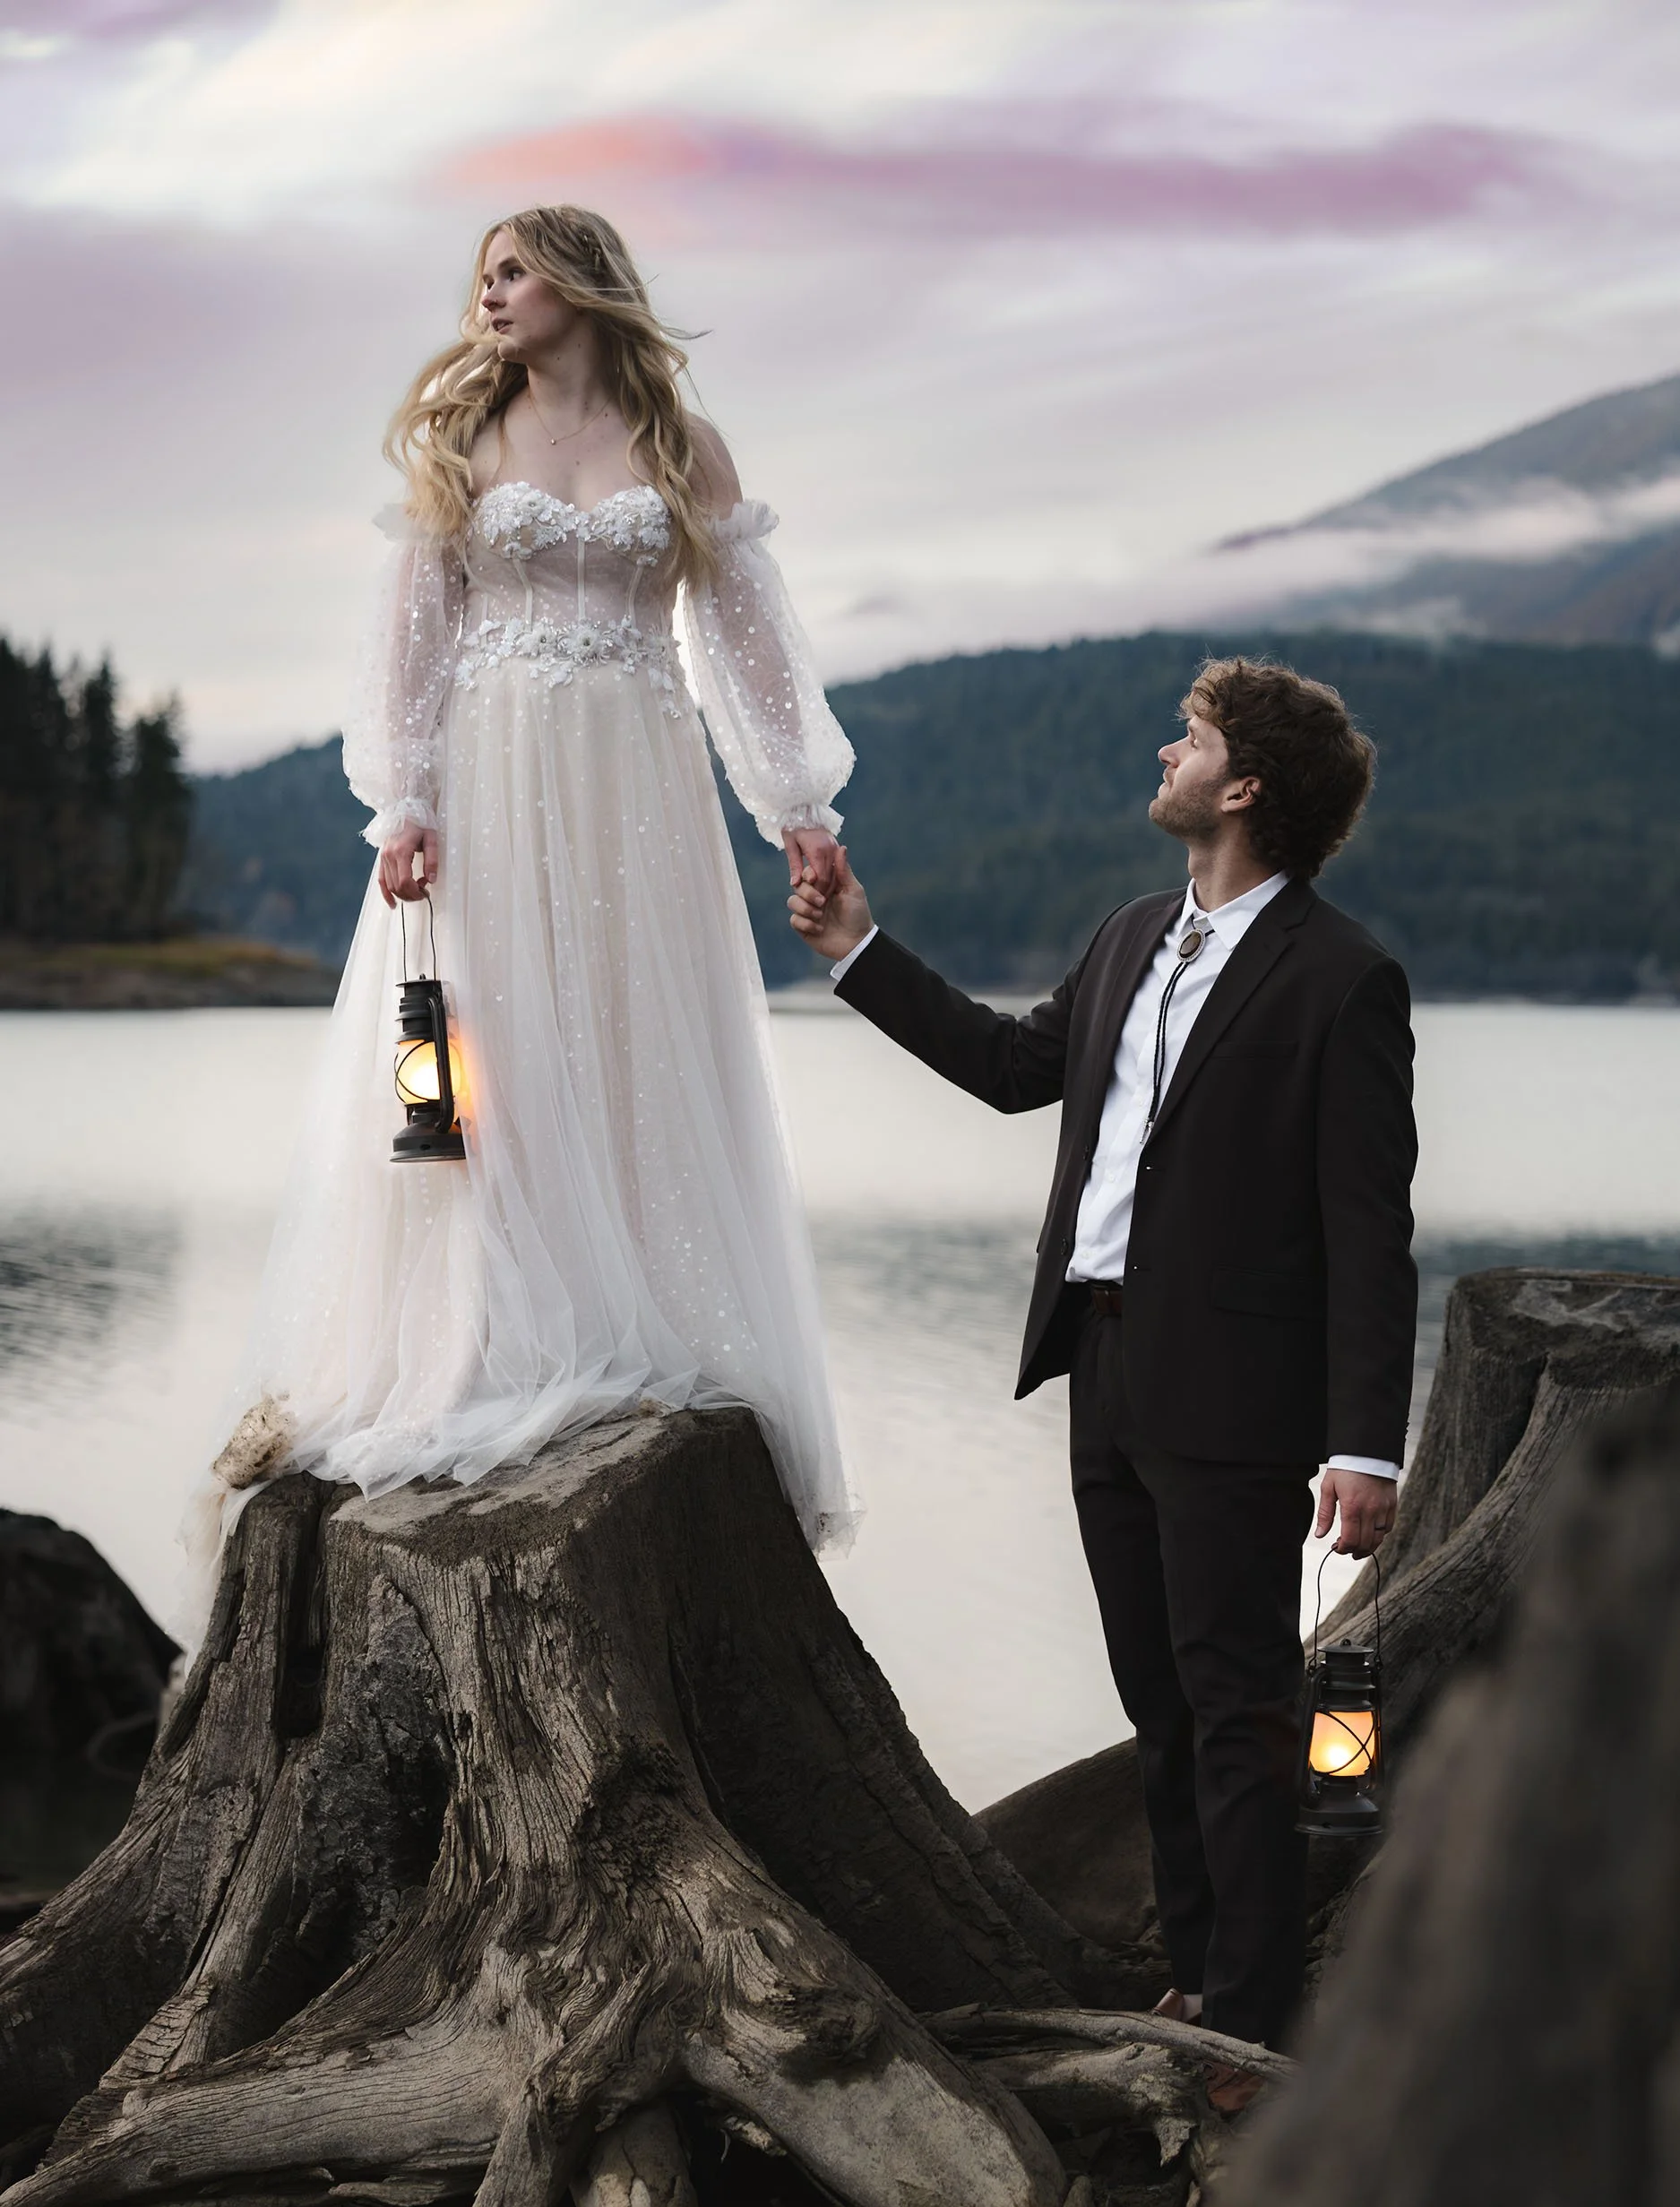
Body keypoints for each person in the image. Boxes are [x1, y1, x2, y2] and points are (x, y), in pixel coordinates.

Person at [185, 203, 857, 1613]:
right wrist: (405, 800)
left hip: (639, 781)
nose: (488, 293)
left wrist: (797, 804)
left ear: (581, 282)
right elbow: (411, 637)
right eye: (482, 274)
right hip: (491, 773)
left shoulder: (682, 446)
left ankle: (630, 1316)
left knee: (628, 1033)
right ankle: (477, 1336)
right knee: (474, 1048)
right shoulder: (464, 439)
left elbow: (743, 641)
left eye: (514, 270)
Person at [788, 657, 1417, 2098]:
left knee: (1238, 1707)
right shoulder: (1134, 931)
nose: (1162, 753)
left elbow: (1365, 1231)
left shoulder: (1341, 977)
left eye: (1187, 739)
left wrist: (1364, 1445)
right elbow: (1013, 1067)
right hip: (1099, 1361)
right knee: (1157, 1699)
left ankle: (1248, 2025)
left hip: (1238, 1400)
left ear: (1243, 787)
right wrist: (858, 950)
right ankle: (1194, 1964)